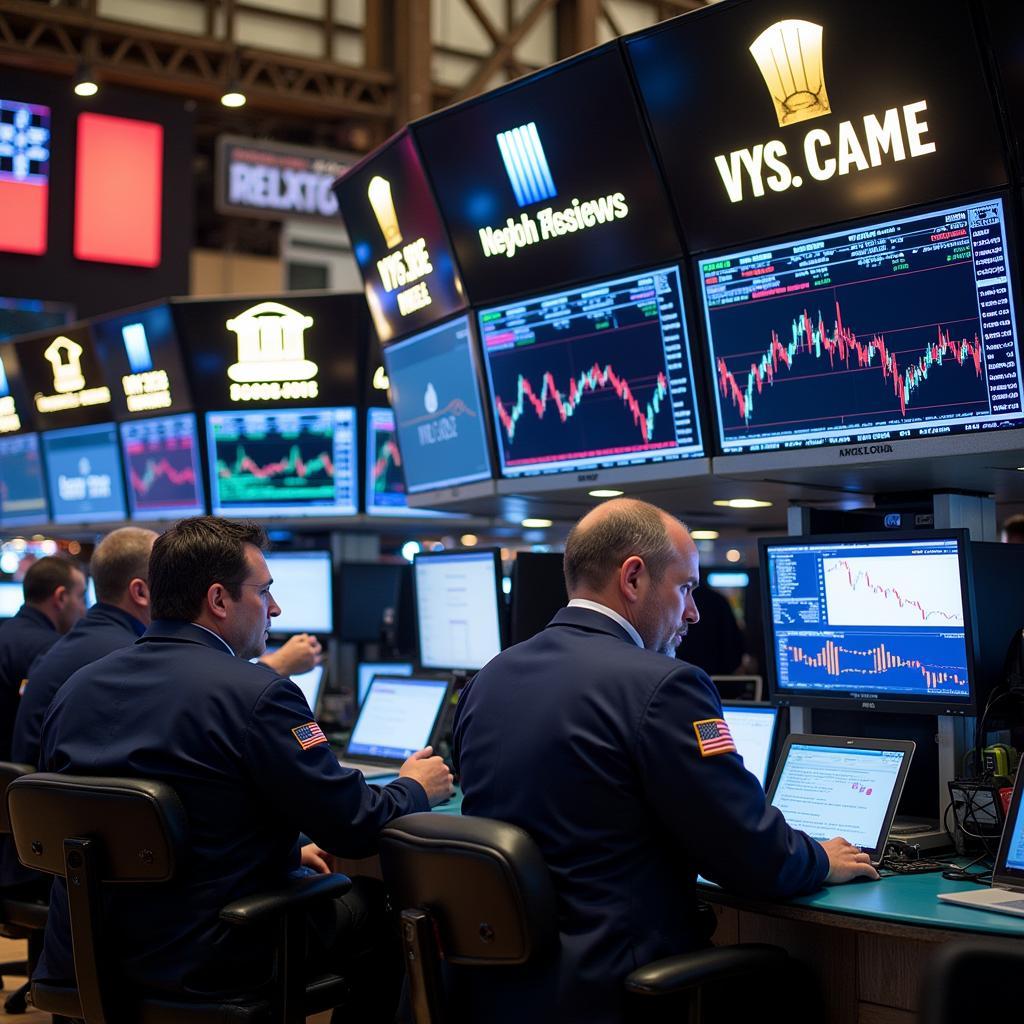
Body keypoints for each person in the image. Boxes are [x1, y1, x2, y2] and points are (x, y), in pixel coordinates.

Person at [452, 498, 876, 1024]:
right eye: (686, 587)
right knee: (799, 987)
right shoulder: (663, 686)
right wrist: (820, 858)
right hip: (618, 988)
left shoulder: (488, 678)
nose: (694, 612)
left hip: (502, 986)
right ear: (633, 578)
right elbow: (746, 851)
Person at [35, 516, 452, 1020]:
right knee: (384, 911)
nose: (274, 609)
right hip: (215, 956)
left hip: (85, 954)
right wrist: (413, 787)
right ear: (218, 599)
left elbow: (154, 808)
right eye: (265, 592)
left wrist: (293, 845)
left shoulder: (76, 688)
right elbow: (355, 825)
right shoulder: (260, 694)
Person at [0, 556, 86, 760]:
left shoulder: (5, 633)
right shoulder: (54, 650)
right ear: (61, 597)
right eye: (81, 597)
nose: (84, 609)